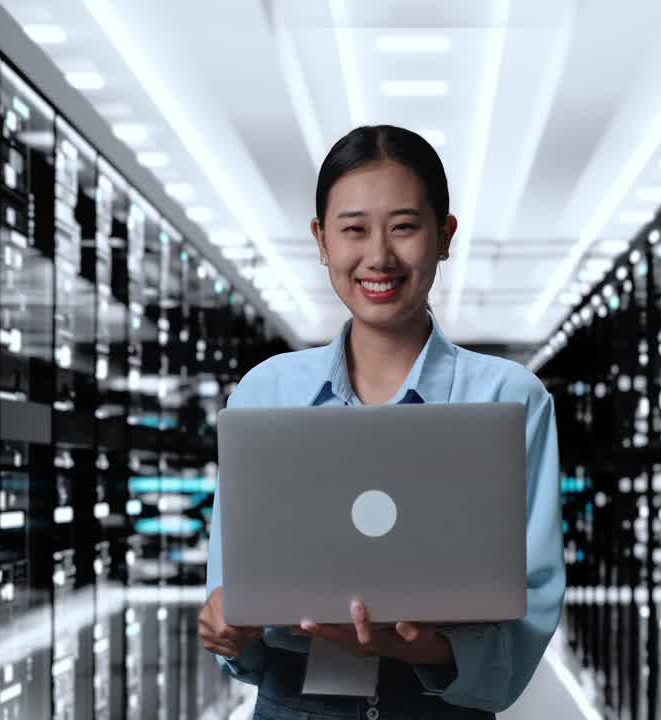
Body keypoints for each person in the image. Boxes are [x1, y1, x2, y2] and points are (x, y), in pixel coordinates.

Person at [199, 125, 565, 720]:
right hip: (292, 707)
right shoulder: (265, 394)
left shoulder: (509, 399)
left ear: (444, 236)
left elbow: (527, 618)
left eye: (404, 226)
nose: (378, 256)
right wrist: (228, 631)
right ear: (321, 241)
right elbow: (233, 598)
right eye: (353, 229)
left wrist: (423, 648)